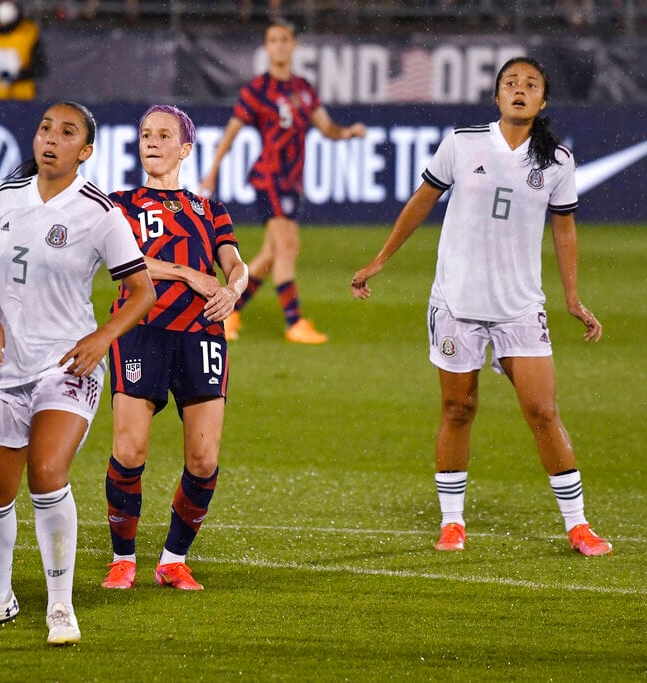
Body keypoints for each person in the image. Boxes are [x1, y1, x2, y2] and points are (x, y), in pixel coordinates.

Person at [350, 57, 611, 557]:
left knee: (543, 411)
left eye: (531, 84)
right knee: (457, 409)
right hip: (457, 301)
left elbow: (564, 229)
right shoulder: (463, 141)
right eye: (510, 83)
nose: (519, 89)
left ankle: (577, 525)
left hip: (519, 307)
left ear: (543, 100)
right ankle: (452, 522)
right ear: (497, 96)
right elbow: (423, 200)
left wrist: (572, 298)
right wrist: (381, 259)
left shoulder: (556, 160)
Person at [0, 102, 155, 645]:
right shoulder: (7, 197)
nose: (51, 139)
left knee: (45, 470)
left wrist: (102, 338)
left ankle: (60, 607)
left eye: (66, 133)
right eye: (45, 129)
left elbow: (141, 291)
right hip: (5, 366)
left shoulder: (99, 212)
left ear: (84, 151)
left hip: (67, 362)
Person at [101, 106, 248, 592]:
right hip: (140, 328)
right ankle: (123, 560)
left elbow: (235, 263)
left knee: (204, 460)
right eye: (145, 134)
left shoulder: (210, 210)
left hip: (202, 334)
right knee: (130, 448)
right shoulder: (119, 204)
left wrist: (234, 289)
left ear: (185, 149)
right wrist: (187, 273)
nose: (152, 142)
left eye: (164, 135)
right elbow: (123, 261)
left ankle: (172, 560)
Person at [200, 18, 366, 345]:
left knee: (272, 254)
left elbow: (326, 127)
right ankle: (294, 323)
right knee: (288, 246)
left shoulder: (303, 89)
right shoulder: (257, 90)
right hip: (269, 178)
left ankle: (229, 311)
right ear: (267, 47)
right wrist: (213, 171)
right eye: (272, 40)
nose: (278, 45)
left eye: (283, 39)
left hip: (292, 181)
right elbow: (231, 133)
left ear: (293, 46)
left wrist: (347, 133)